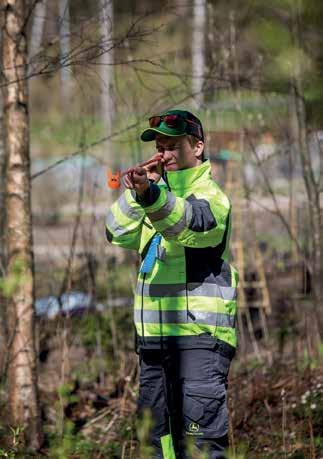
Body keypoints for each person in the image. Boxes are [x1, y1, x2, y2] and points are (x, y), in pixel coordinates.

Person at [105, 109, 238, 459]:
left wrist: (151, 196)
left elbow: (188, 225)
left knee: (198, 448)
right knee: (155, 446)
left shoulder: (211, 197)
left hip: (198, 341)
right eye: (160, 146)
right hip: (152, 343)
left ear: (197, 147)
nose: (163, 154)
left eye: (172, 145)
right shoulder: (154, 196)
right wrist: (137, 191)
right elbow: (115, 232)